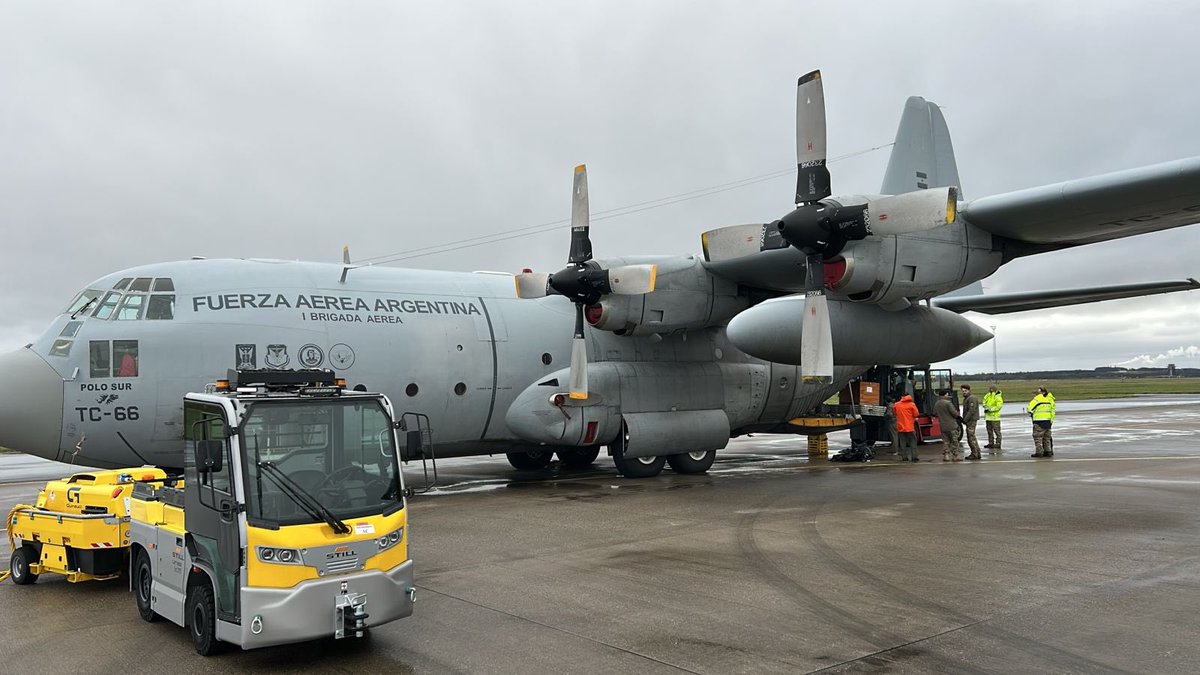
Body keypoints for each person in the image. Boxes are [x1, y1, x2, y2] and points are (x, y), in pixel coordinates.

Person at [933, 390, 963, 461]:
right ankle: (955, 456)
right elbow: (954, 414)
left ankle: (946, 455)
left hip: (942, 425)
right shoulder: (948, 403)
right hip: (951, 425)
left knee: (946, 441)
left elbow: (934, 413)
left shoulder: (937, 403)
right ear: (945, 395)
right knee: (954, 441)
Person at [1027, 386, 1056, 457]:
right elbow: (1052, 411)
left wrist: (1033, 414)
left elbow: (1029, 409)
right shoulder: (1048, 400)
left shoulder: (1036, 400)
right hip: (1048, 421)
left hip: (1039, 421)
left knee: (1038, 438)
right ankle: (1048, 451)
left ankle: (1039, 452)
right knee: (1047, 438)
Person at [893, 393, 920, 462]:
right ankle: (914, 457)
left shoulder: (896, 405)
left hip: (900, 427)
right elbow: (916, 414)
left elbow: (894, 413)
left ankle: (904, 457)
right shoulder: (912, 404)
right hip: (910, 427)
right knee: (913, 442)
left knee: (902, 443)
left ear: (902, 397)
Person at [960, 384, 982, 460]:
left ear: (969, 390)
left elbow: (971, 411)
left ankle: (975, 453)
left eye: (965, 391)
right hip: (969, 420)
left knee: (971, 437)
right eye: (962, 391)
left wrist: (965, 419)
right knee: (972, 437)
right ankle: (977, 452)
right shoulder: (966, 398)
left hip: (971, 420)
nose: (964, 392)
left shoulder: (971, 398)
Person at [983, 384, 1004, 453]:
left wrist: (990, 409)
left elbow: (998, 406)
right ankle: (991, 443)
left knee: (997, 431)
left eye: (991, 389)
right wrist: (986, 408)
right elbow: (984, 402)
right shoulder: (988, 395)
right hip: (988, 417)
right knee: (989, 431)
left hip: (995, 418)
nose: (990, 390)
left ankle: (998, 443)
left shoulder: (998, 397)